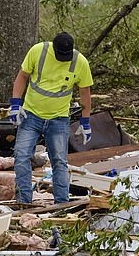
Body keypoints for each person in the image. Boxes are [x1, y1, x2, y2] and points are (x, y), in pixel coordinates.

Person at [9, 32, 93, 204]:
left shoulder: (80, 62)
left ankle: (61, 204)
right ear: (53, 48)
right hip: (31, 115)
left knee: (60, 161)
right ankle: (24, 201)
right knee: (22, 155)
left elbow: (85, 92)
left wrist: (85, 121)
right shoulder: (38, 52)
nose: (63, 59)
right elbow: (22, 76)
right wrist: (16, 104)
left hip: (58, 118)